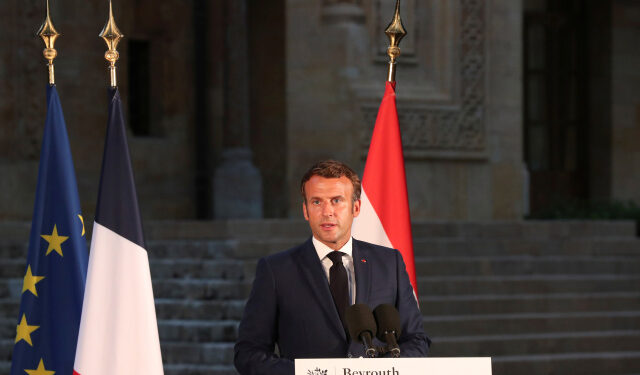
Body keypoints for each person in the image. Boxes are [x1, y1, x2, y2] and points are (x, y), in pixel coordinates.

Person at [234, 160, 430, 375]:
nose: (327, 212)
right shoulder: (275, 270)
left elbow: (416, 340)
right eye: (316, 202)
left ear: (356, 207)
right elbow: (249, 354)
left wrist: (384, 371)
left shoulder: (389, 262)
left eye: (337, 200)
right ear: (306, 210)